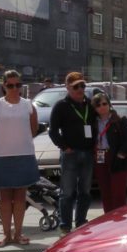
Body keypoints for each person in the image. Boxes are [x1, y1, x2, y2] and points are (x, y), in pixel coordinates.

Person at [0, 70, 39, 247]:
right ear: (4, 86)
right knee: (5, 198)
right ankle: (7, 235)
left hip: (24, 154)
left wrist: (19, 142)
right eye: (10, 85)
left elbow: (33, 129)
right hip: (1, 155)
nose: (15, 88)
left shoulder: (29, 105)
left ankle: (18, 234)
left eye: (18, 85)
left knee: (21, 197)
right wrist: (3, 143)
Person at [48, 71, 98, 235]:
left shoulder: (90, 105)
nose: (80, 89)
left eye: (83, 85)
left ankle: (81, 221)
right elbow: (53, 131)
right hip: (70, 154)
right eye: (76, 86)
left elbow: (99, 123)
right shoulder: (61, 106)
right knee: (67, 192)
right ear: (68, 87)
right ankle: (65, 225)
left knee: (85, 191)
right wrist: (64, 147)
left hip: (88, 153)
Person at [92, 92, 127, 212]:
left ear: (109, 104)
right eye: (98, 105)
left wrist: (121, 155)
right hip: (100, 157)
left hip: (117, 158)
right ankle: (109, 221)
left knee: (118, 195)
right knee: (106, 193)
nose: (102, 107)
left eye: (104, 103)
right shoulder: (92, 123)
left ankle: (121, 221)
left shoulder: (120, 120)